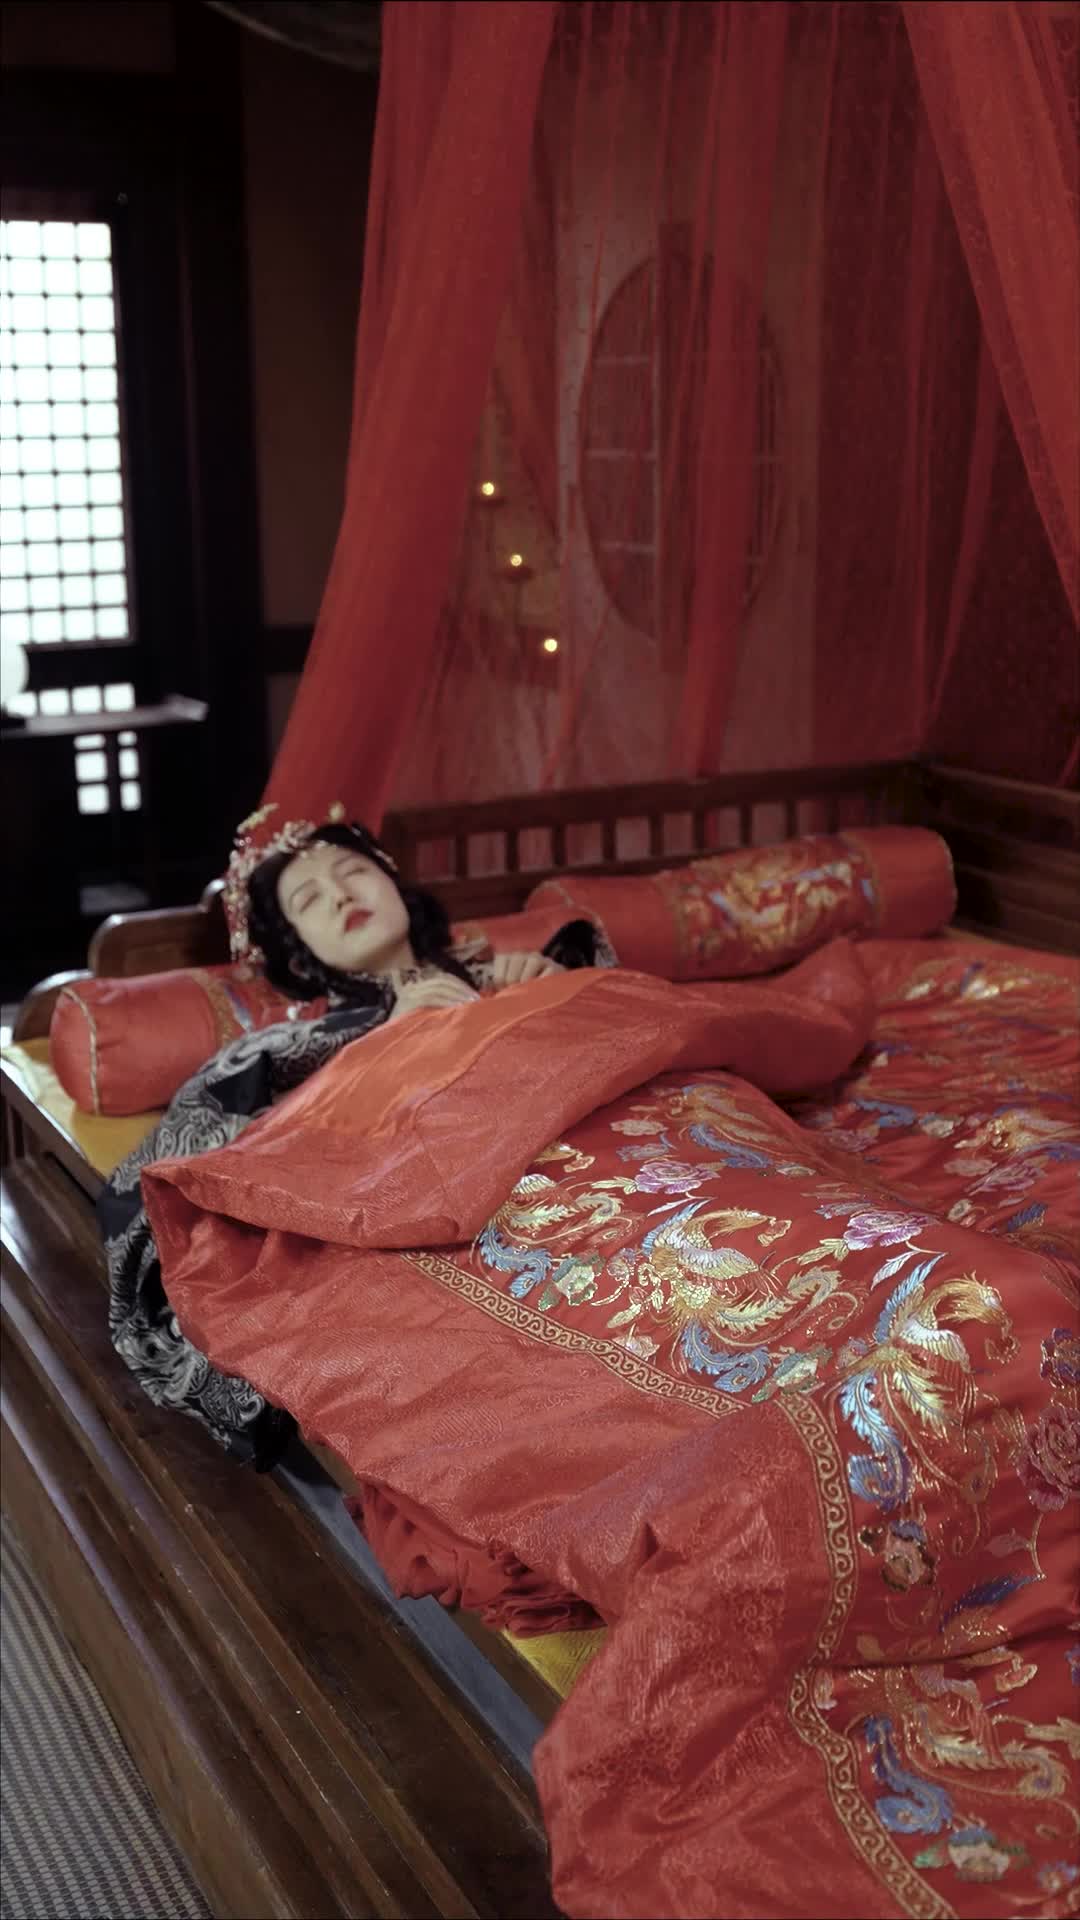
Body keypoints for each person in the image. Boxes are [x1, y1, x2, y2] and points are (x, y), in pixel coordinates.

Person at [99, 809, 613, 1470]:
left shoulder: (515, 972)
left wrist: (551, 992)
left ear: (395, 884)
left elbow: (621, 1048)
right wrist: (382, 1049)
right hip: (462, 1216)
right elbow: (208, 1166)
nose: (341, 896)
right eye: (311, 900)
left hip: (598, 1165)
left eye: (352, 873)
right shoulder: (290, 1052)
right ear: (297, 952)